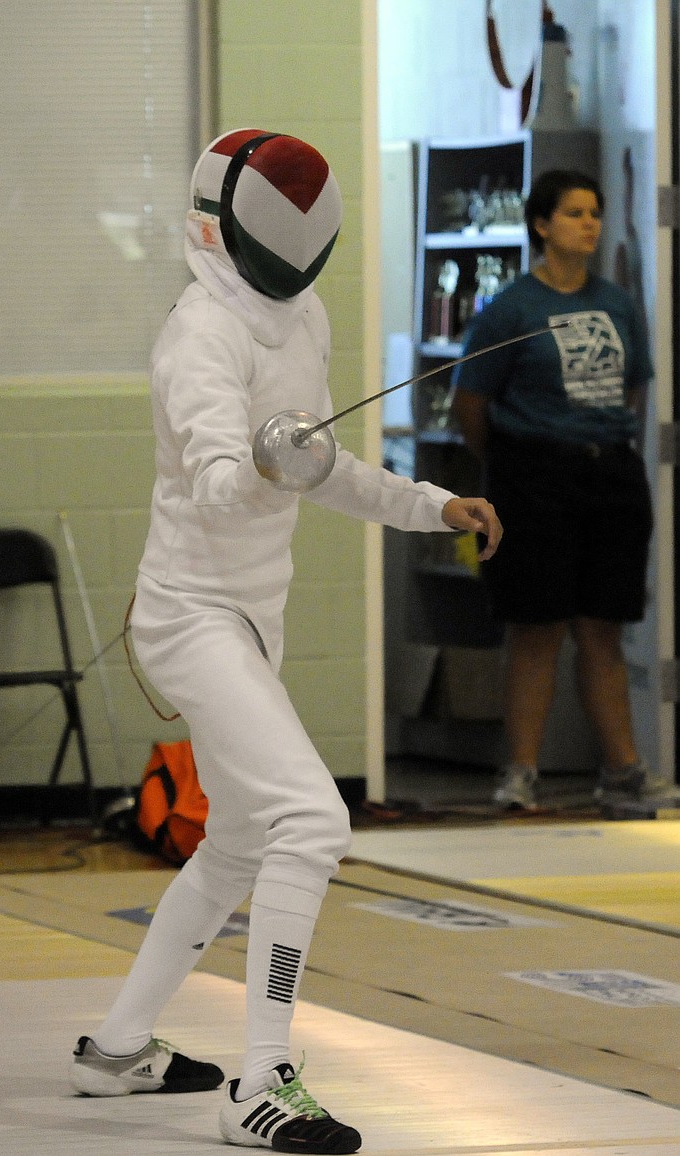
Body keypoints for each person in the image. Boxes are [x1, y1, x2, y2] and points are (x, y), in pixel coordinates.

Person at [70, 128, 502, 1153]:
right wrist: (271, 461)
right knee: (311, 819)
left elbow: (325, 465)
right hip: (189, 616)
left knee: (239, 841)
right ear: (223, 229)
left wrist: (431, 502)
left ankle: (117, 1048)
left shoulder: (295, 315)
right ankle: (258, 1079)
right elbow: (222, 480)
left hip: (250, 618)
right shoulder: (198, 338)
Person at [452, 168, 670, 813]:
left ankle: (623, 772)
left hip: (610, 475)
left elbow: (635, 387)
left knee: (603, 627)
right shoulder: (513, 310)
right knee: (537, 628)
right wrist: (523, 459)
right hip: (533, 478)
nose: (590, 225)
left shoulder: (617, 303)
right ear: (543, 225)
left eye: (595, 214)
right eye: (575, 213)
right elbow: (470, 405)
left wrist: (594, 440)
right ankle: (519, 773)